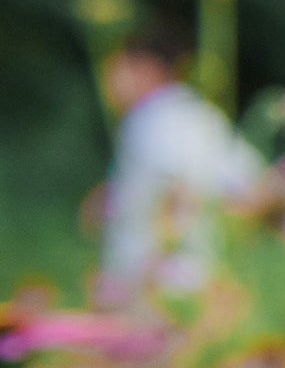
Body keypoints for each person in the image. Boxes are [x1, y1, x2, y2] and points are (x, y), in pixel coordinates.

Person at [96, 36, 267, 298]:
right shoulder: (199, 114)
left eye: (117, 69)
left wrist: (163, 249)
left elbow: (179, 186)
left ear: (147, 68)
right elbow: (253, 184)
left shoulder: (154, 118)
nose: (109, 82)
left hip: (158, 279)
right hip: (198, 274)